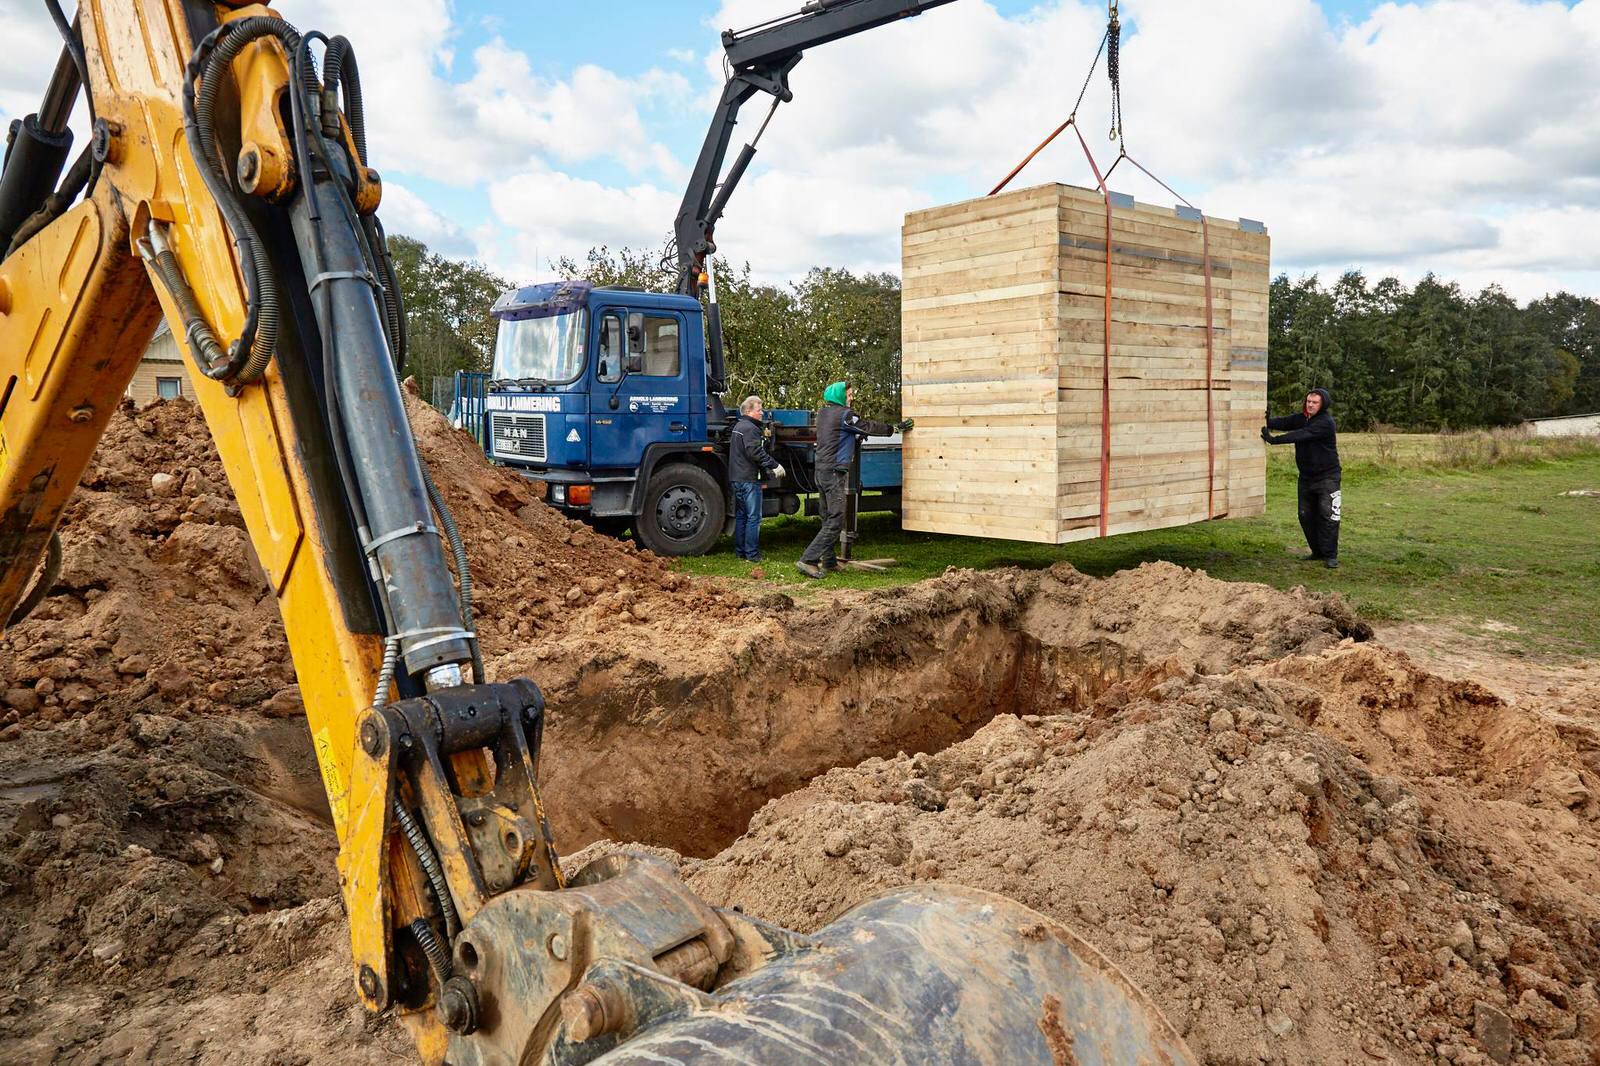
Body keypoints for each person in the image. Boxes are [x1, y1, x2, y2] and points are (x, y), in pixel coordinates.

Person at [796, 381, 912, 578]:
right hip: (834, 473)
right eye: (849, 394)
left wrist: (855, 438)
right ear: (840, 396)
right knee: (836, 519)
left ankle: (829, 562)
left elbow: (838, 436)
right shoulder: (845, 415)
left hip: (821, 471)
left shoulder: (823, 414)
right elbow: (867, 426)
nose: (852, 398)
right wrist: (894, 428)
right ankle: (808, 559)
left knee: (827, 517)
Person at [1261, 387, 1342, 569]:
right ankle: (1317, 552)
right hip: (1306, 477)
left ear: (1323, 405)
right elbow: (1281, 422)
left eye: (1315, 402)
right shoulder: (1302, 418)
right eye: (1308, 401)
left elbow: (1302, 435)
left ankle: (1330, 555)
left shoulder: (1325, 423)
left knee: (1329, 516)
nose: (1310, 405)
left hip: (1328, 477)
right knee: (1305, 515)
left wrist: (1274, 440)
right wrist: (1264, 417)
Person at [728, 395, 785, 562]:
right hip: (748, 479)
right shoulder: (750, 428)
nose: (762, 413)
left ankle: (740, 552)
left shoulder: (739, 426)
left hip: (737, 477)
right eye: (759, 410)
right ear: (748, 411)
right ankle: (752, 554)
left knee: (741, 516)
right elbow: (755, 451)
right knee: (754, 517)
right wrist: (774, 465)